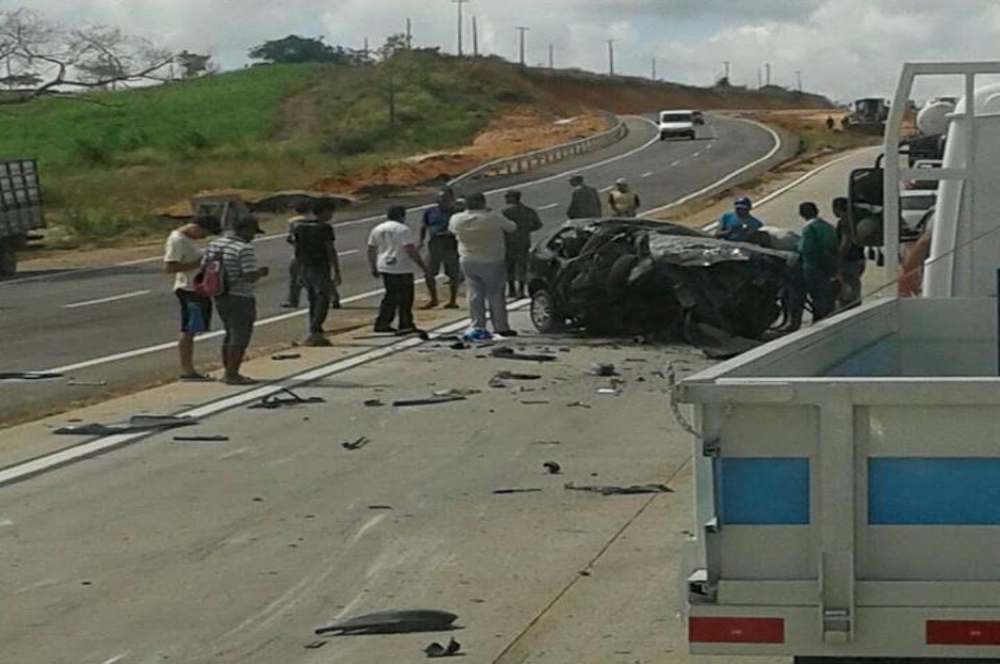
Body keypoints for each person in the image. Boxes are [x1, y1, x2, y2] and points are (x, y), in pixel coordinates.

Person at [206, 215, 269, 386]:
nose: (253, 237)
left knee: (229, 332)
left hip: (220, 294)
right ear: (244, 230)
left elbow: (206, 266)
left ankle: (228, 369)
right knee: (240, 336)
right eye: (252, 232)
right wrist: (261, 272)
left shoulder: (215, 244)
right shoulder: (243, 248)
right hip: (240, 296)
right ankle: (232, 373)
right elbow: (249, 276)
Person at [450, 191, 518, 339]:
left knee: (474, 294)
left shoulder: (456, 219)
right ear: (483, 202)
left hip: (468, 259)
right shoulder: (492, 217)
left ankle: (477, 325)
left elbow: (452, 230)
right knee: (495, 294)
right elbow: (512, 227)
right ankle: (500, 326)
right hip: (492, 259)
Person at [163, 213, 221, 382]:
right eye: (204, 233)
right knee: (189, 329)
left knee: (195, 328)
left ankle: (189, 368)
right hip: (188, 289)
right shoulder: (177, 240)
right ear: (196, 227)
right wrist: (199, 263)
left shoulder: (186, 240)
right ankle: (187, 370)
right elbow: (170, 266)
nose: (204, 237)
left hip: (197, 288)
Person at [290, 199, 343, 346]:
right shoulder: (324, 228)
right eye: (330, 212)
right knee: (323, 297)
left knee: (313, 299)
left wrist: (299, 271)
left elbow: (297, 250)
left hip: (305, 267)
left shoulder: (299, 227)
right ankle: (315, 329)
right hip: (320, 266)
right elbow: (330, 250)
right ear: (324, 211)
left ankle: (315, 329)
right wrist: (337, 271)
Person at [368, 206, 427, 334]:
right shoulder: (403, 229)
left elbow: (371, 249)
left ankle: (383, 322)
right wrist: (421, 264)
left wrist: (373, 266)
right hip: (401, 266)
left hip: (384, 265)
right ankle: (405, 323)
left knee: (390, 296)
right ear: (402, 216)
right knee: (405, 297)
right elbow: (410, 248)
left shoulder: (378, 228)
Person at [796, 201, 839, 322]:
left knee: (816, 294)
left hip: (813, 266)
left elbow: (806, 249)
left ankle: (819, 318)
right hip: (829, 265)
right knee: (827, 294)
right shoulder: (827, 226)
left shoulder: (809, 228)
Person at [420, 187, 462, 310]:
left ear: (451, 198)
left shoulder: (457, 212)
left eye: (445, 198)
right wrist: (421, 240)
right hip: (434, 245)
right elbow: (424, 226)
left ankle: (453, 300)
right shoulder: (430, 212)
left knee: (453, 274)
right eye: (440, 198)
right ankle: (433, 299)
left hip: (451, 245)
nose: (442, 200)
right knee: (428, 273)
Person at [502, 190, 543, 299]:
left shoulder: (505, 212)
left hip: (509, 242)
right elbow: (538, 225)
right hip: (524, 241)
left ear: (512, 198)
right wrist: (526, 229)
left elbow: (501, 227)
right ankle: (521, 290)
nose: (505, 199)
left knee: (510, 267)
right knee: (522, 266)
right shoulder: (529, 211)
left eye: (507, 197)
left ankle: (511, 290)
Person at [833, 196, 866, 310]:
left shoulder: (845, 222)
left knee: (846, 291)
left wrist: (839, 259)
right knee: (855, 287)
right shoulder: (856, 219)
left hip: (849, 260)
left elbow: (846, 241)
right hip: (859, 257)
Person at [281, 203, 311, 309]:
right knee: (319, 277)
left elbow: (290, 238)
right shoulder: (315, 220)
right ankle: (332, 298)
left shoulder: (293, 221)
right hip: (315, 253)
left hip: (298, 253)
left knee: (294, 278)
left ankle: (293, 300)